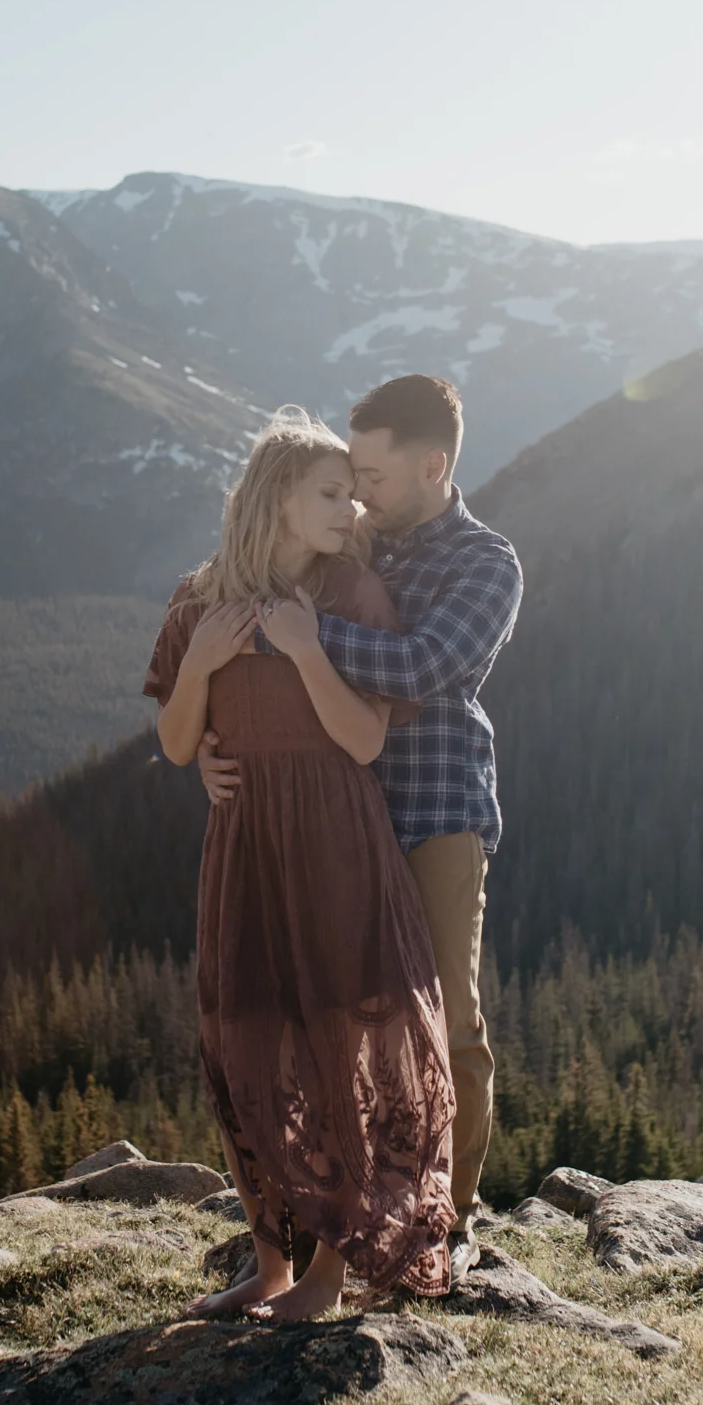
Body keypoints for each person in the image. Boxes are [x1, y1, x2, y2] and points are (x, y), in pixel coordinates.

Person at [200, 373, 522, 1279]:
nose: (360, 490)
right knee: (333, 1027)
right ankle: (343, 1222)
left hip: (435, 815)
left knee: (445, 1024)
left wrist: (297, 634)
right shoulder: (358, 538)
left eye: (373, 474)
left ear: (433, 464)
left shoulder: (485, 563)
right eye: (351, 475)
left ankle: (442, 1230)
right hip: (340, 822)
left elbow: (422, 667)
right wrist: (219, 750)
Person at [144, 408, 456, 1320]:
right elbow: (173, 744)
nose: (350, 506)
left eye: (353, 490)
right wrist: (201, 662)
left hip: (335, 838)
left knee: (335, 1044)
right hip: (245, 845)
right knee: (247, 1037)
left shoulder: (350, 592)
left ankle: (326, 1275)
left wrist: (307, 647)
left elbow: (362, 740)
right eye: (330, 491)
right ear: (275, 497)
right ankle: (269, 1264)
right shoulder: (197, 598)